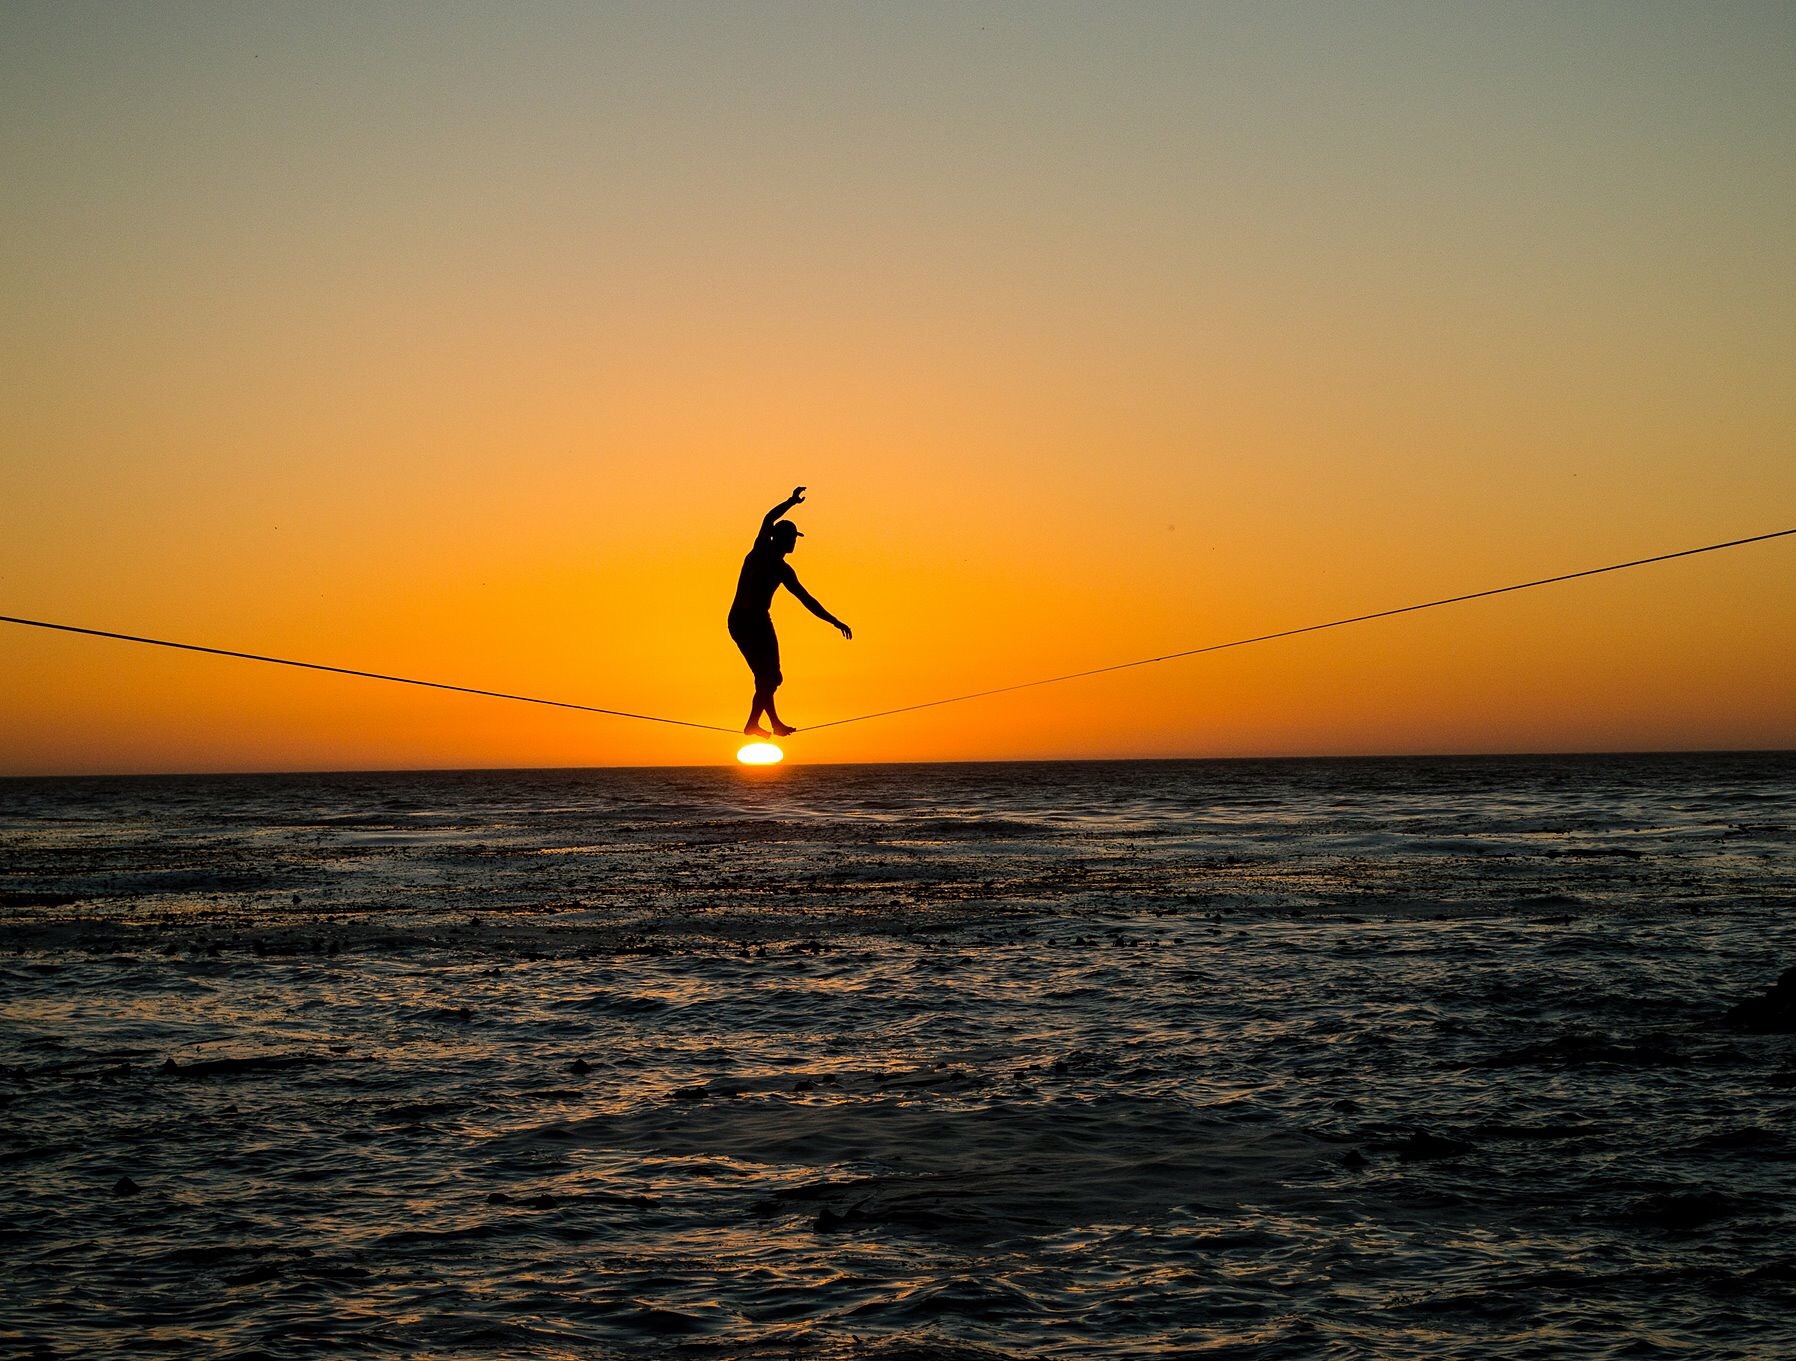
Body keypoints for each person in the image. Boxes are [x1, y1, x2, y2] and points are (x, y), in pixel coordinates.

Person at [728, 486, 851, 737]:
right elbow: (768, 518)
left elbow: (808, 600)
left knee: (770, 678)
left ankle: (772, 724)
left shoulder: (784, 570)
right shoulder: (761, 548)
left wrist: (834, 621)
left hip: (753, 620)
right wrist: (791, 501)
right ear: (780, 539)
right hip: (747, 620)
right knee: (769, 677)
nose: (795, 542)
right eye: (792, 537)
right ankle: (754, 724)